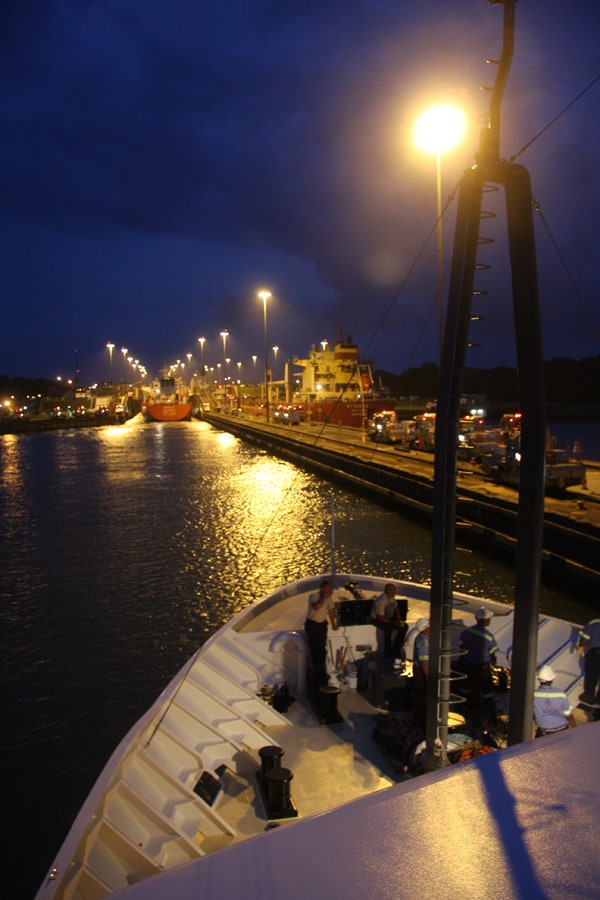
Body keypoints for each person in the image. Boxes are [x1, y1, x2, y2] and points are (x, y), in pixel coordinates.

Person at [459, 607, 499, 726]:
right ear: (486, 620)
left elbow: (461, 650)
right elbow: (492, 654)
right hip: (482, 668)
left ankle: (463, 712)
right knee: (487, 693)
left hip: (468, 666)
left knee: (467, 690)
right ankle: (491, 719)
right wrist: (493, 662)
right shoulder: (488, 636)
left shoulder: (465, 632)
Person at [304, 579, 338, 689]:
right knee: (314, 647)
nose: (329, 591)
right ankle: (315, 669)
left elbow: (331, 612)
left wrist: (333, 624)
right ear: (322, 589)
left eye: (330, 589)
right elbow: (316, 607)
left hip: (322, 625)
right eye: (327, 589)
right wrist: (324, 597)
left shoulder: (329, 599)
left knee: (321, 648)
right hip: (313, 625)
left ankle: (321, 669)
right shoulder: (314, 596)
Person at [533, 665, 576, 737]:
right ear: (552, 680)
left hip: (544, 733)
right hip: (563, 730)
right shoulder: (561, 694)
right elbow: (568, 715)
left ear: (539, 679)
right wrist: (575, 730)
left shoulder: (533, 695)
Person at [371, 583, 408, 659]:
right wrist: (393, 623)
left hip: (388, 617)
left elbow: (396, 609)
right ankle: (387, 651)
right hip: (377, 619)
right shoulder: (381, 601)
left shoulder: (391, 598)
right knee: (388, 628)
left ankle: (396, 648)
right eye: (393, 591)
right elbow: (380, 617)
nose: (395, 593)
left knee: (404, 627)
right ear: (388, 591)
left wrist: (399, 620)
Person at [577, 617, 600, 705]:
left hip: (594, 653)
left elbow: (584, 639)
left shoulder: (593, 623)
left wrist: (580, 648)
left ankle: (589, 696)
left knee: (591, 675)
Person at [411, 618, 430, 728]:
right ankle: (420, 719)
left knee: (420, 695)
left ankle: (420, 717)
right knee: (422, 695)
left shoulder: (421, 638)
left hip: (420, 669)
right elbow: (424, 662)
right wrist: (428, 677)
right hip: (421, 671)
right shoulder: (424, 642)